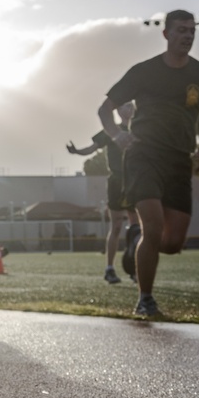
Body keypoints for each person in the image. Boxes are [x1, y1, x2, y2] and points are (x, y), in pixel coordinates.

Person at [98, 9, 199, 317]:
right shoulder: (144, 71)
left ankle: (135, 238)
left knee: (172, 243)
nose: (188, 36)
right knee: (153, 228)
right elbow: (105, 109)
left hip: (180, 160)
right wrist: (117, 135)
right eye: (181, 30)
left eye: (192, 31)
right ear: (166, 34)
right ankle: (145, 299)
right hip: (144, 155)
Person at [67, 101, 139, 284]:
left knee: (136, 228)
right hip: (116, 181)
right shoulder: (111, 130)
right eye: (124, 106)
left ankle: (135, 268)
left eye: (130, 107)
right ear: (117, 110)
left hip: (135, 181)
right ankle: (110, 268)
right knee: (116, 227)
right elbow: (91, 149)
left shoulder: (139, 129)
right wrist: (76, 152)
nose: (127, 109)